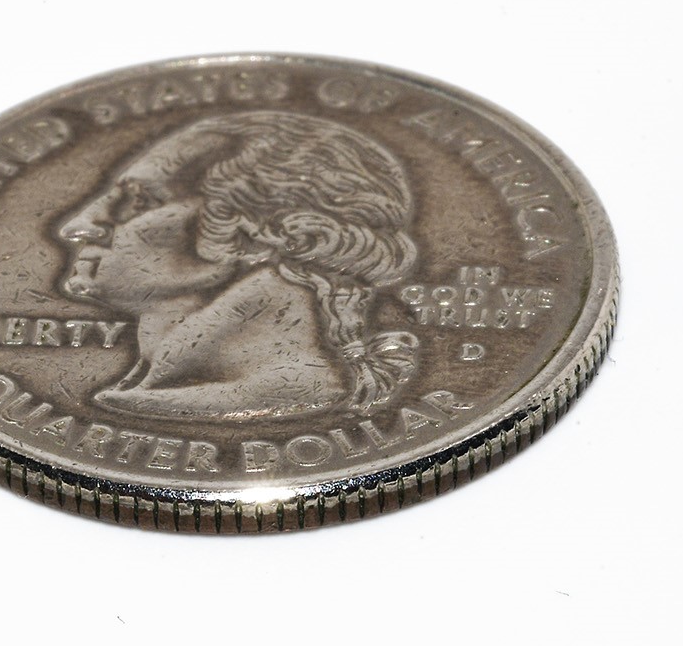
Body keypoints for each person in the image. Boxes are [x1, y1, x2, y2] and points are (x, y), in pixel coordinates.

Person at [57, 110, 419, 419]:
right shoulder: (142, 391)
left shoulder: (285, 394)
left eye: (140, 200)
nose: (77, 226)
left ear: (254, 236)